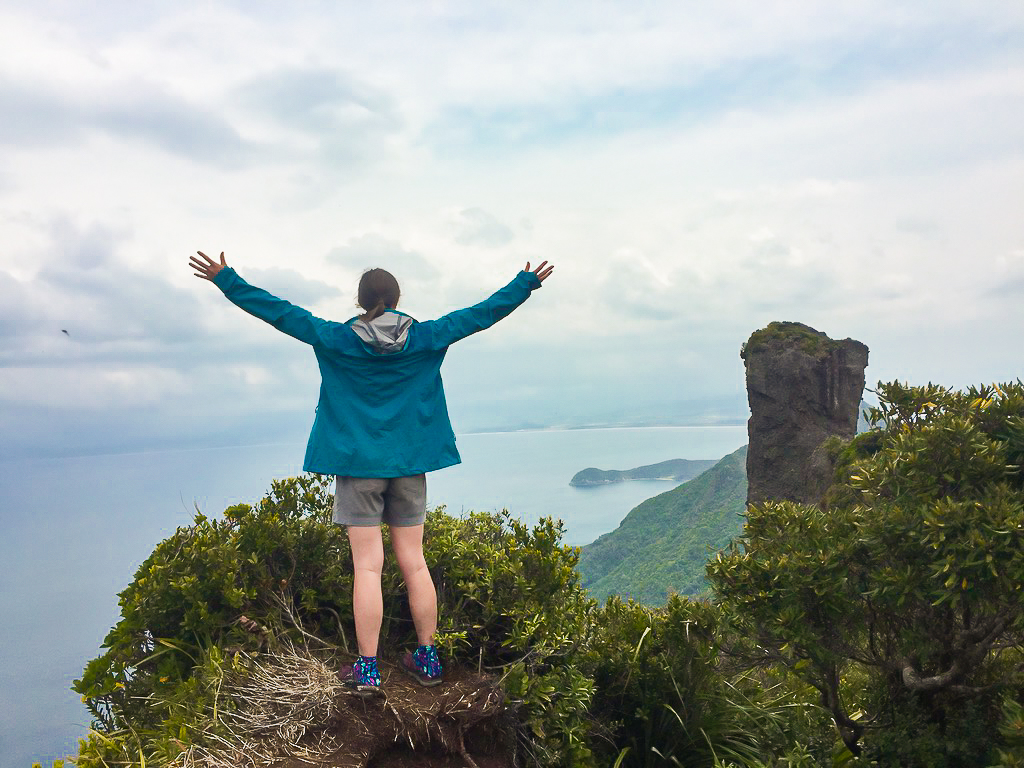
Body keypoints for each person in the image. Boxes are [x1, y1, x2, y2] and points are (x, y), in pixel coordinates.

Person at [189, 250, 554, 695]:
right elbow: (480, 315)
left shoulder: (335, 338)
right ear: (398, 299)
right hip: (409, 464)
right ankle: (428, 659)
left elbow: (280, 313)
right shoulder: (427, 337)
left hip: (357, 465)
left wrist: (226, 279)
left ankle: (366, 669)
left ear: (361, 302)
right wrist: (524, 284)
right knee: (414, 563)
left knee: (368, 567)